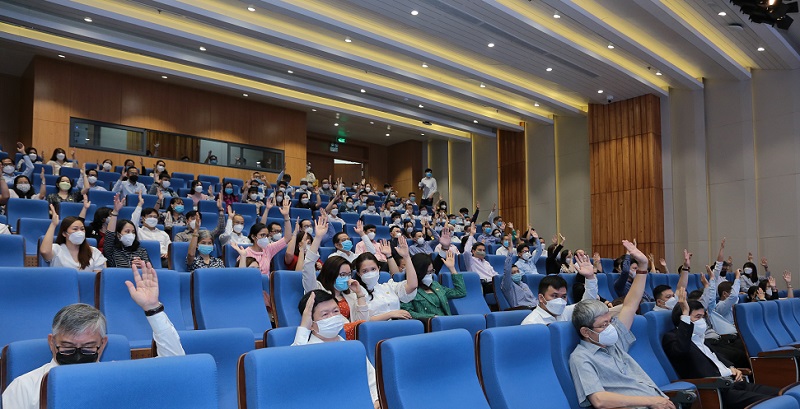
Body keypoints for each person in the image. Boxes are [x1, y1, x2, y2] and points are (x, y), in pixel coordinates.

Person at [1, 262, 185, 409]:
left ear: (103, 344)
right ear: (52, 342)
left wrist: (153, 308)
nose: (78, 354)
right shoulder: (24, 386)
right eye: (67, 346)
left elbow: (175, 367)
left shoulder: (118, 375)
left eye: (88, 347)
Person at [569, 240, 674, 409]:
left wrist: (643, 266)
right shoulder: (581, 357)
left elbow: (630, 304)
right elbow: (599, 400)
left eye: (610, 321)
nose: (610, 328)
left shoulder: (614, 341)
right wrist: (651, 401)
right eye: (603, 325)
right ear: (586, 332)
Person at [663, 288, 779, 409]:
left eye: (703, 316)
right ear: (683, 317)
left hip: (734, 382)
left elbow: (716, 356)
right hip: (716, 390)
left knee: (782, 395)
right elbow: (681, 350)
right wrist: (685, 314)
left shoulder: (699, 337)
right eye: (697, 317)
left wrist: (731, 367)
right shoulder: (672, 338)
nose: (702, 321)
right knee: (772, 403)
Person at [293, 290, 379, 408]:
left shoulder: (353, 349)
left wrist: (376, 401)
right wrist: (304, 327)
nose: (333, 317)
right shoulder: (305, 352)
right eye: (325, 314)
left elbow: (372, 380)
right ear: (311, 323)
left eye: (335, 311)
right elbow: (293, 371)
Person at [302, 215, 369, 338]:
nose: (347, 278)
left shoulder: (350, 294)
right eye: (342, 275)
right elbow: (308, 265)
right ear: (331, 274)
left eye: (348, 274)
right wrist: (318, 238)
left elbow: (362, 323)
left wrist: (359, 294)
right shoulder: (317, 290)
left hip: (350, 338)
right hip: (326, 336)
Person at [521, 253, 601, 324]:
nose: (560, 301)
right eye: (554, 296)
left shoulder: (565, 312)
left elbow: (587, 303)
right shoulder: (531, 323)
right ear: (541, 298)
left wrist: (590, 277)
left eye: (563, 296)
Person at [353, 238, 418, 321]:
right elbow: (362, 321)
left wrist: (406, 257)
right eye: (365, 271)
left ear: (379, 269)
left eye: (373, 269)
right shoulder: (357, 294)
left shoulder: (388, 286)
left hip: (397, 325)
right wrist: (390, 314)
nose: (370, 273)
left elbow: (412, 285)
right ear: (358, 273)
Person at [400, 252, 465, 319]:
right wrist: (432, 318)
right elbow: (407, 313)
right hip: (428, 323)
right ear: (417, 272)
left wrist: (452, 268)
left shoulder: (435, 285)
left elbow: (460, 292)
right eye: (426, 272)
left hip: (446, 321)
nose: (429, 275)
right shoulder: (407, 289)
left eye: (431, 271)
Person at [40, 209, 107, 272]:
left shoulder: (94, 252)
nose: (80, 232)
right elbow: (44, 251)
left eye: (82, 229)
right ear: (64, 233)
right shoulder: (57, 249)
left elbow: (99, 277)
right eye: (75, 229)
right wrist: (53, 224)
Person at [240, 197, 292, 275]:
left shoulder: (268, 249)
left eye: (266, 235)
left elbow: (287, 238)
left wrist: (286, 216)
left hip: (266, 282)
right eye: (262, 235)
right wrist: (267, 209)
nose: (265, 238)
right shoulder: (245, 252)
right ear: (253, 237)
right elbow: (240, 274)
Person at [104, 193, 150, 268]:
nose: (131, 234)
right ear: (118, 235)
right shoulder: (112, 250)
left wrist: (142, 265)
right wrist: (115, 212)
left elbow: (150, 269)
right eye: (127, 231)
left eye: (133, 232)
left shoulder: (141, 251)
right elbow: (109, 234)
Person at [500, 241, 536, 309]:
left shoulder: (524, 285)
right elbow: (507, 270)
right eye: (513, 272)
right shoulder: (508, 285)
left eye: (518, 271)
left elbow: (533, 299)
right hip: (521, 309)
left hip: (534, 307)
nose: (516, 273)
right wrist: (510, 252)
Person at [463, 224, 497, 293]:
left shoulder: (486, 262)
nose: (482, 252)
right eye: (479, 250)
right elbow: (466, 251)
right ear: (473, 251)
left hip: (493, 282)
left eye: (483, 250)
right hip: (482, 284)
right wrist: (471, 235)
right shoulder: (471, 261)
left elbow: (494, 273)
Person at [135, 201, 171, 268]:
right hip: (145, 258)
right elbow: (134, 221)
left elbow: (170, 248)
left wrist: (168, 254)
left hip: (163, 258)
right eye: (150, 216)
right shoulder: (138, 231)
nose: (153, 219)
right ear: (143, 218)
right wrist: (139, 205)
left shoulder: (163, 233)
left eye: (155, 217)